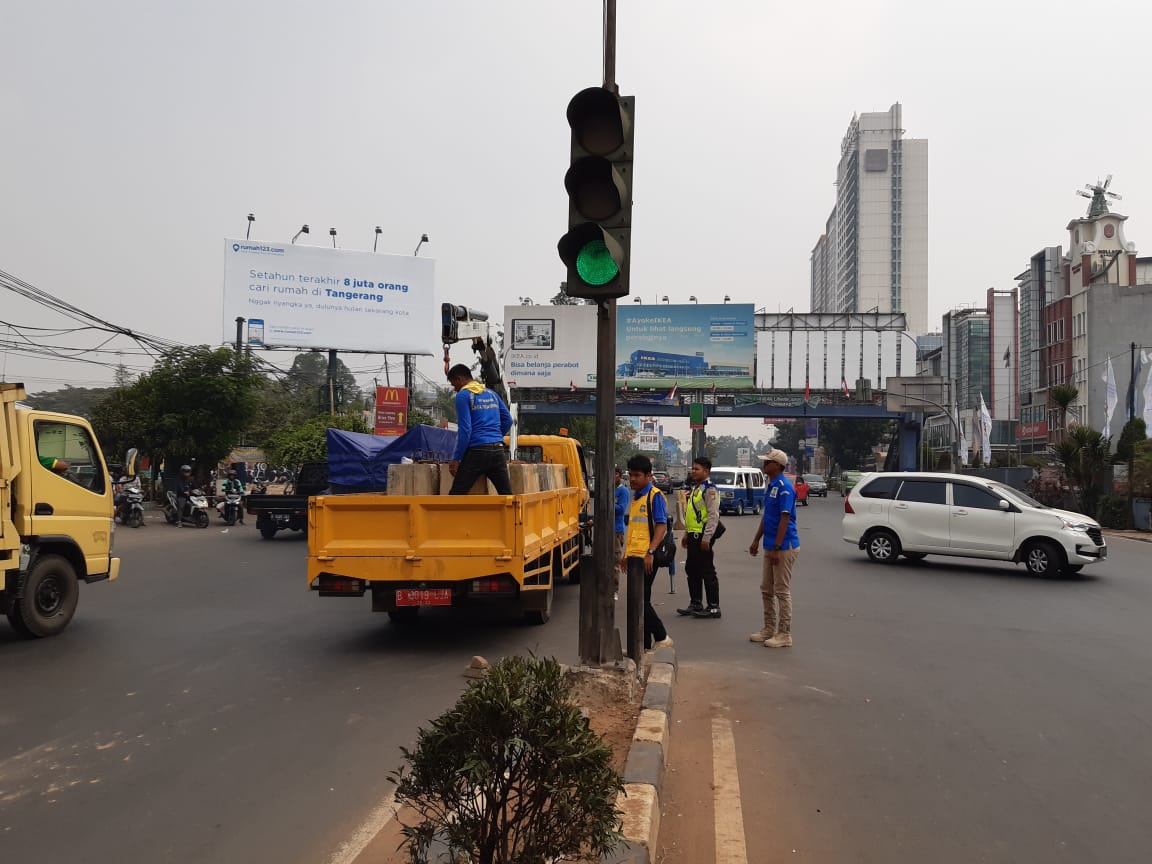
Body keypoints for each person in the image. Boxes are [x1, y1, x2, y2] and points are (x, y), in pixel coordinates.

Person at [748, 449, 800, 648]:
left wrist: (777, 547)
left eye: (768, 462)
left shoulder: (786, 488)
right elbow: (767, 517)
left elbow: (784, 519)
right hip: (770, 545)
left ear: (777, 465)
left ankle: (784, 633)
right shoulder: (772, 486)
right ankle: (769, 628)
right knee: (766, 589)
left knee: (781, 591)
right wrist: (756, 540)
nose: (764, 465)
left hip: (784, 546)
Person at [625, 454, 673, 650]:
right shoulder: (637, 497)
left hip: (647, 558)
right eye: (631, 475)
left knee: (641, 601)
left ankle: (662, 637)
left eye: (637, 475)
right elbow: (636, 530)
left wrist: (650, 552)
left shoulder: (655, 496)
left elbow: (661, 527)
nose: (633, 479)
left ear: (648, 476)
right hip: (635, 557)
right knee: (638, 601)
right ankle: (643, 645)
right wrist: (625, 555)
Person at [446, 364, 514, 495]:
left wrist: (457, 458)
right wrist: (495, 436)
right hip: (498, 450)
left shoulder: (463, 395)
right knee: (506, 495)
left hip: (477, 451)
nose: (455, 389)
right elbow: (508, 420)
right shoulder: (492, 394)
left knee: (456, 495)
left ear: (459, 379)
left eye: (454, 384)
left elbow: (465, 430)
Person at [677, 456, 722, 619]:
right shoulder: (697, 488)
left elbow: (713, 515)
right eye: (693, 468)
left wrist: (707, 538)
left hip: (702, 536)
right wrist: (686, 534)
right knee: (692, 569)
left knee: (707, 570)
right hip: (693, 535)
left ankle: (713, 607)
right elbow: (692, 514)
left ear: (706, 471)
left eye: (697, 469)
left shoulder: (710, 489)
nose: (693, 471)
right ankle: (696, 603)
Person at [613, 467, 630, 602]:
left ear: (619, 476)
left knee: (615, 561)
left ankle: (614, 589)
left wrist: (608, 503)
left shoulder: (622, 491)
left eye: (615, 474)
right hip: (604, 530)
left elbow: (621, 509)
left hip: (616, 530)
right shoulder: (608, 488)